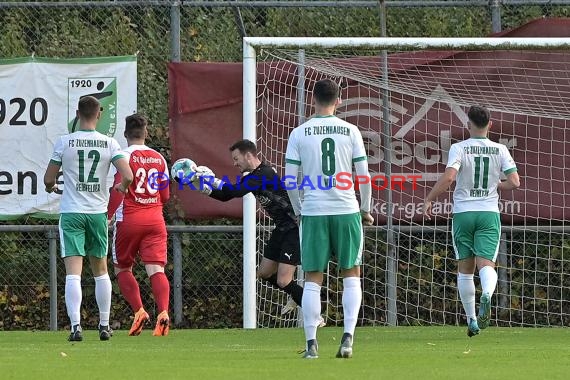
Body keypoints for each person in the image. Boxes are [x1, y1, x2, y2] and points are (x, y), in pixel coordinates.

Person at [186, 139, 324, 325]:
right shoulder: (252, 176)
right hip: (281, 229)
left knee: (283, 280)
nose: (235, 163)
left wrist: (211, 179)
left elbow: (235, 191)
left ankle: (316, 317)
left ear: (248, 155)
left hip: (294, 228)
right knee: (265, 273)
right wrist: (204, 189)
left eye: (236, 158)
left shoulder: (263, 174)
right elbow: (227, 196)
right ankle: (295, 292)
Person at [284, 78, 374, 359]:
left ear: (313, 98)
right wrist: (365, 209)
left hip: (313, 210)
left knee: (312, 277)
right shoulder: (350, 131)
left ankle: (312, 344)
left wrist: (299, 209)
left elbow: (289, 181)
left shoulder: (299, 133)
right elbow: (364, 177)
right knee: (351, 273)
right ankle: (347, 339)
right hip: (346, 209)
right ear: (338, 101)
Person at [423, 105, 520, 337]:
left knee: (465, 269)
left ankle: (472, 320)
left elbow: (449, 178)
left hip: (463, 213)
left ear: (468, 125)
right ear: (490, 125)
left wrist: (429, 198)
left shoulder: (459, 148)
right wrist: (498, 184)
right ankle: (487, 293)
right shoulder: (500, 149)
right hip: (488, 213)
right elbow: (515, 181)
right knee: (486, 264)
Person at [43, 96, 133, 342]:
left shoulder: (65, 142)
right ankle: (104, 325)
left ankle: (76, 327)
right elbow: (128, 174)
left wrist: (51, 188)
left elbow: (48, 179)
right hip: (97, 214)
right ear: (99, 114)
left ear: (77, 114)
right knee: (101, 270)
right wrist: (122, 187)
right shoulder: (109, 143)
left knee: (73, 272)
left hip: (72, 212)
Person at [107, 114, 171, 336]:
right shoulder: (159, 158)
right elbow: (166, 195)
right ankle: (163, 313)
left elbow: (119, 188)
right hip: (155, 219)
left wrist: (108, 215)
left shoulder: (122, 156)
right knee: (156, 269)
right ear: (146, 133)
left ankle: (139, 311)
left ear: (125, 134)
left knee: (122, 268)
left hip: (130, 220)